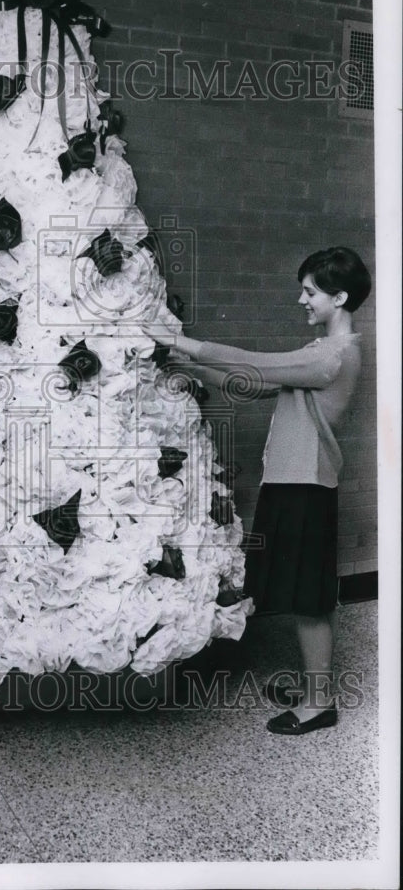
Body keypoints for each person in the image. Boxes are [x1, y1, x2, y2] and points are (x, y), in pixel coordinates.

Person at [148, 247, 371, 735]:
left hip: (306, 488)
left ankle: (319, 704)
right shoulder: (319, 354)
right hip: (293, 484)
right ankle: (316, 689)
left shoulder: (335, 355)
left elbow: (258, 363)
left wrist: (182, 343)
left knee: (309, 599)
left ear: (340, 296)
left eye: (310, 291)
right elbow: (251, 383)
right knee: (300, 594)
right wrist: (185, 370)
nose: (302, 300)